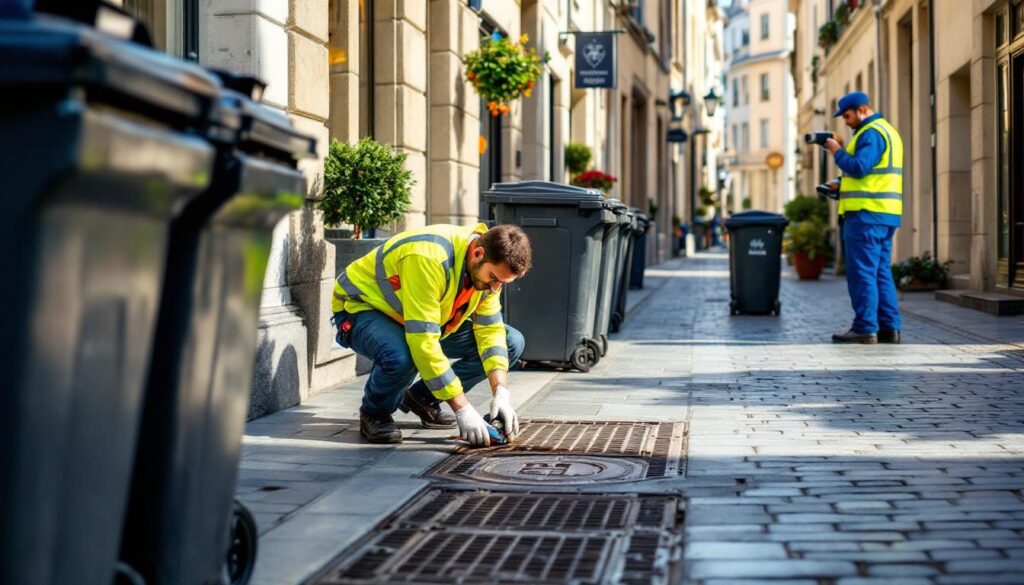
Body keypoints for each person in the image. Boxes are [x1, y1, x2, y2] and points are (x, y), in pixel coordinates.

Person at [331, 223, 530, 445]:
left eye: (502, 283)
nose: (494, 288)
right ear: (477, 254)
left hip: (421, 319)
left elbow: (490, 330)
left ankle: (422, 398)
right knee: (403, 356)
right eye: (493, 278)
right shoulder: (428, 258)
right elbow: (423, 341)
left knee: (511, 342)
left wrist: (501, 393)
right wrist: (462, 408)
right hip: (362, 309)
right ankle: (375, 413)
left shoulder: (488, 272)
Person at [823, 91, 903, 344]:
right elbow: (872, 176)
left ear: (861, 109)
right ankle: (889, 328)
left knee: (863, 273)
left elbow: (859, 167)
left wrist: (837, 151)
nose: (845, 121)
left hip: (865, 216)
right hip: (884, 214)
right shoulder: (887, 131)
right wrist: (840, 185)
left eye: (847, 116)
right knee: (880, 272)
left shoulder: (871, 133)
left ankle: (865, 328)